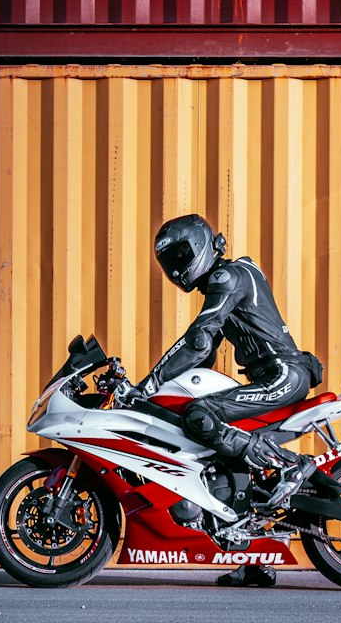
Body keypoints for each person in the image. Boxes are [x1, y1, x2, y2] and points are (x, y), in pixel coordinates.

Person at [129, 214, 324, 509]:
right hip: (279, 374)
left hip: (282, 376)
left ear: (201, 245)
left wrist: (147, 386)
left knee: (199, 415)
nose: (177, 266)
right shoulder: (229, 280)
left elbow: (198, 340)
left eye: (182, 254)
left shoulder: (227, 278)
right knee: (191, 406)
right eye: (170, 261)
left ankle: (287, 463)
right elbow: (204, 353)